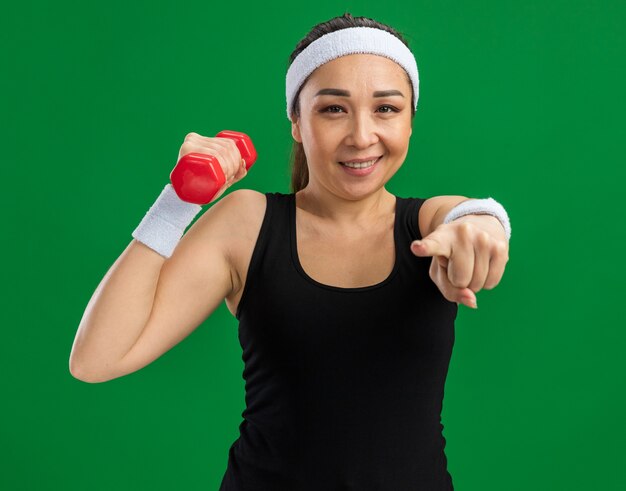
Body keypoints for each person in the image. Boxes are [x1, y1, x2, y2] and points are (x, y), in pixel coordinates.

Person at [69, 12, 511, 491]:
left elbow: (473, 216)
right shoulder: (247, 224)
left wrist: (482, 225)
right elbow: (96, 360)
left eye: (386, 109)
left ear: (410, 121)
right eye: (333, 109)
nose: (362, 136)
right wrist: (177, 202)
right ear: (297, 122)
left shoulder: (428, 224)